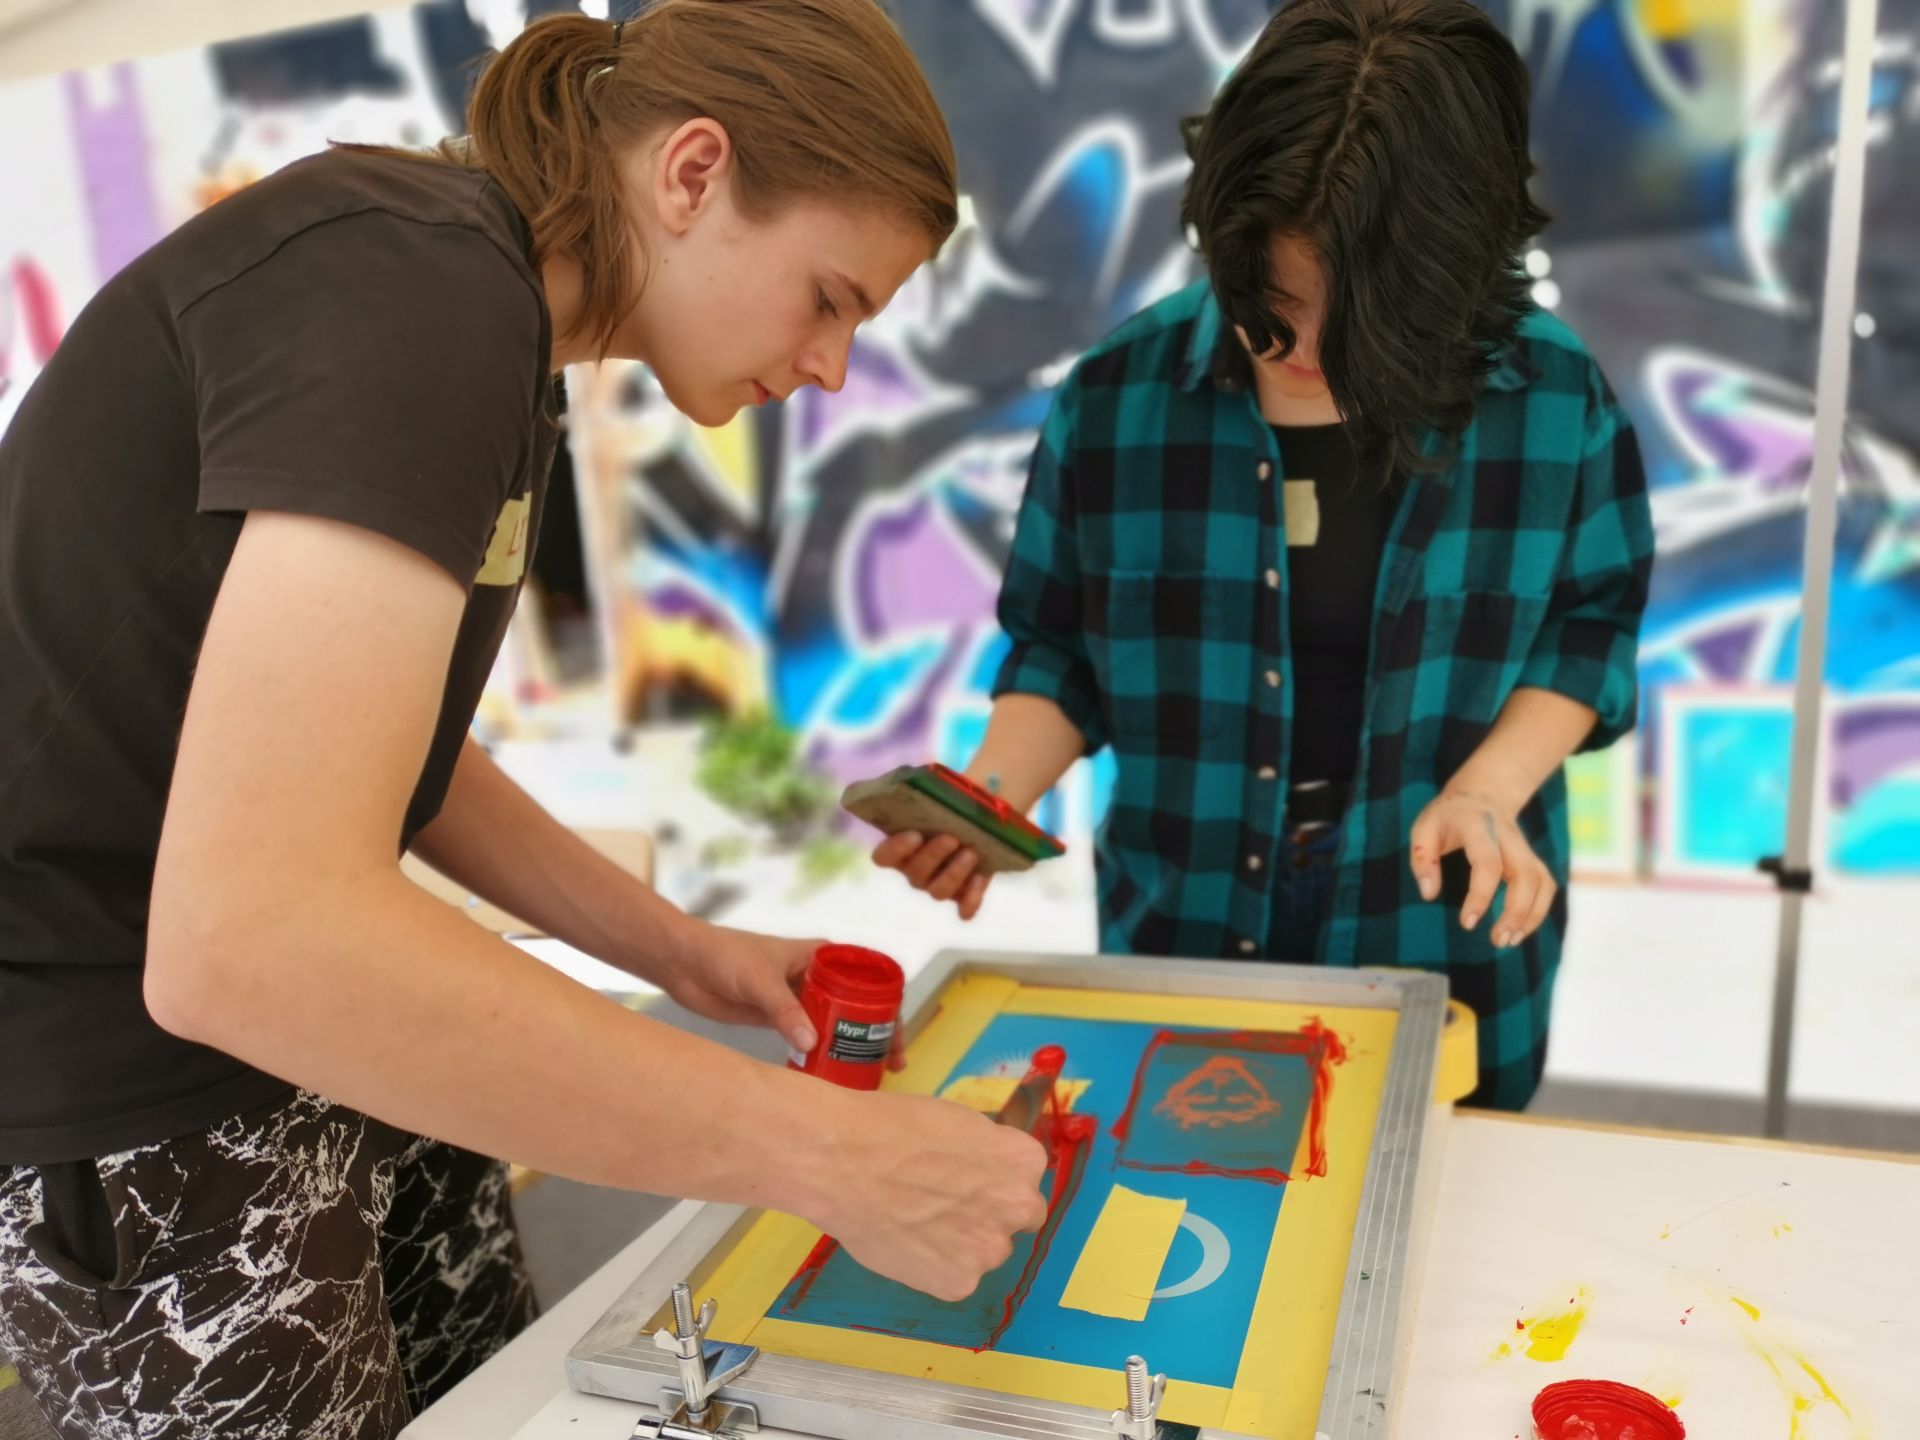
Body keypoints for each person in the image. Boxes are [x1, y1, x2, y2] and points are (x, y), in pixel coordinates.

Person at [0, 5, 1048, 1436]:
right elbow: (246, 941)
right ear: (691, 173)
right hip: (121, 1076)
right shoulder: (414, 285)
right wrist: (838, 1158)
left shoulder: (495, 340)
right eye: (830, 296)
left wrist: (687, 955)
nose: (830, 369)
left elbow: (401, 763)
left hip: (308, 1036)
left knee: (493, 1399)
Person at [875, 0, 1655, 1112]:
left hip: (1438, 926)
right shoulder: (1116, 398)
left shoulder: (1549, 395)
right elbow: (1059, 648)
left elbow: (1591, 626)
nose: (1297, 357)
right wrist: (990, 795)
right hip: (1184, 914)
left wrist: (1489, 790)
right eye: (1270, 310)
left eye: (1362, 328)